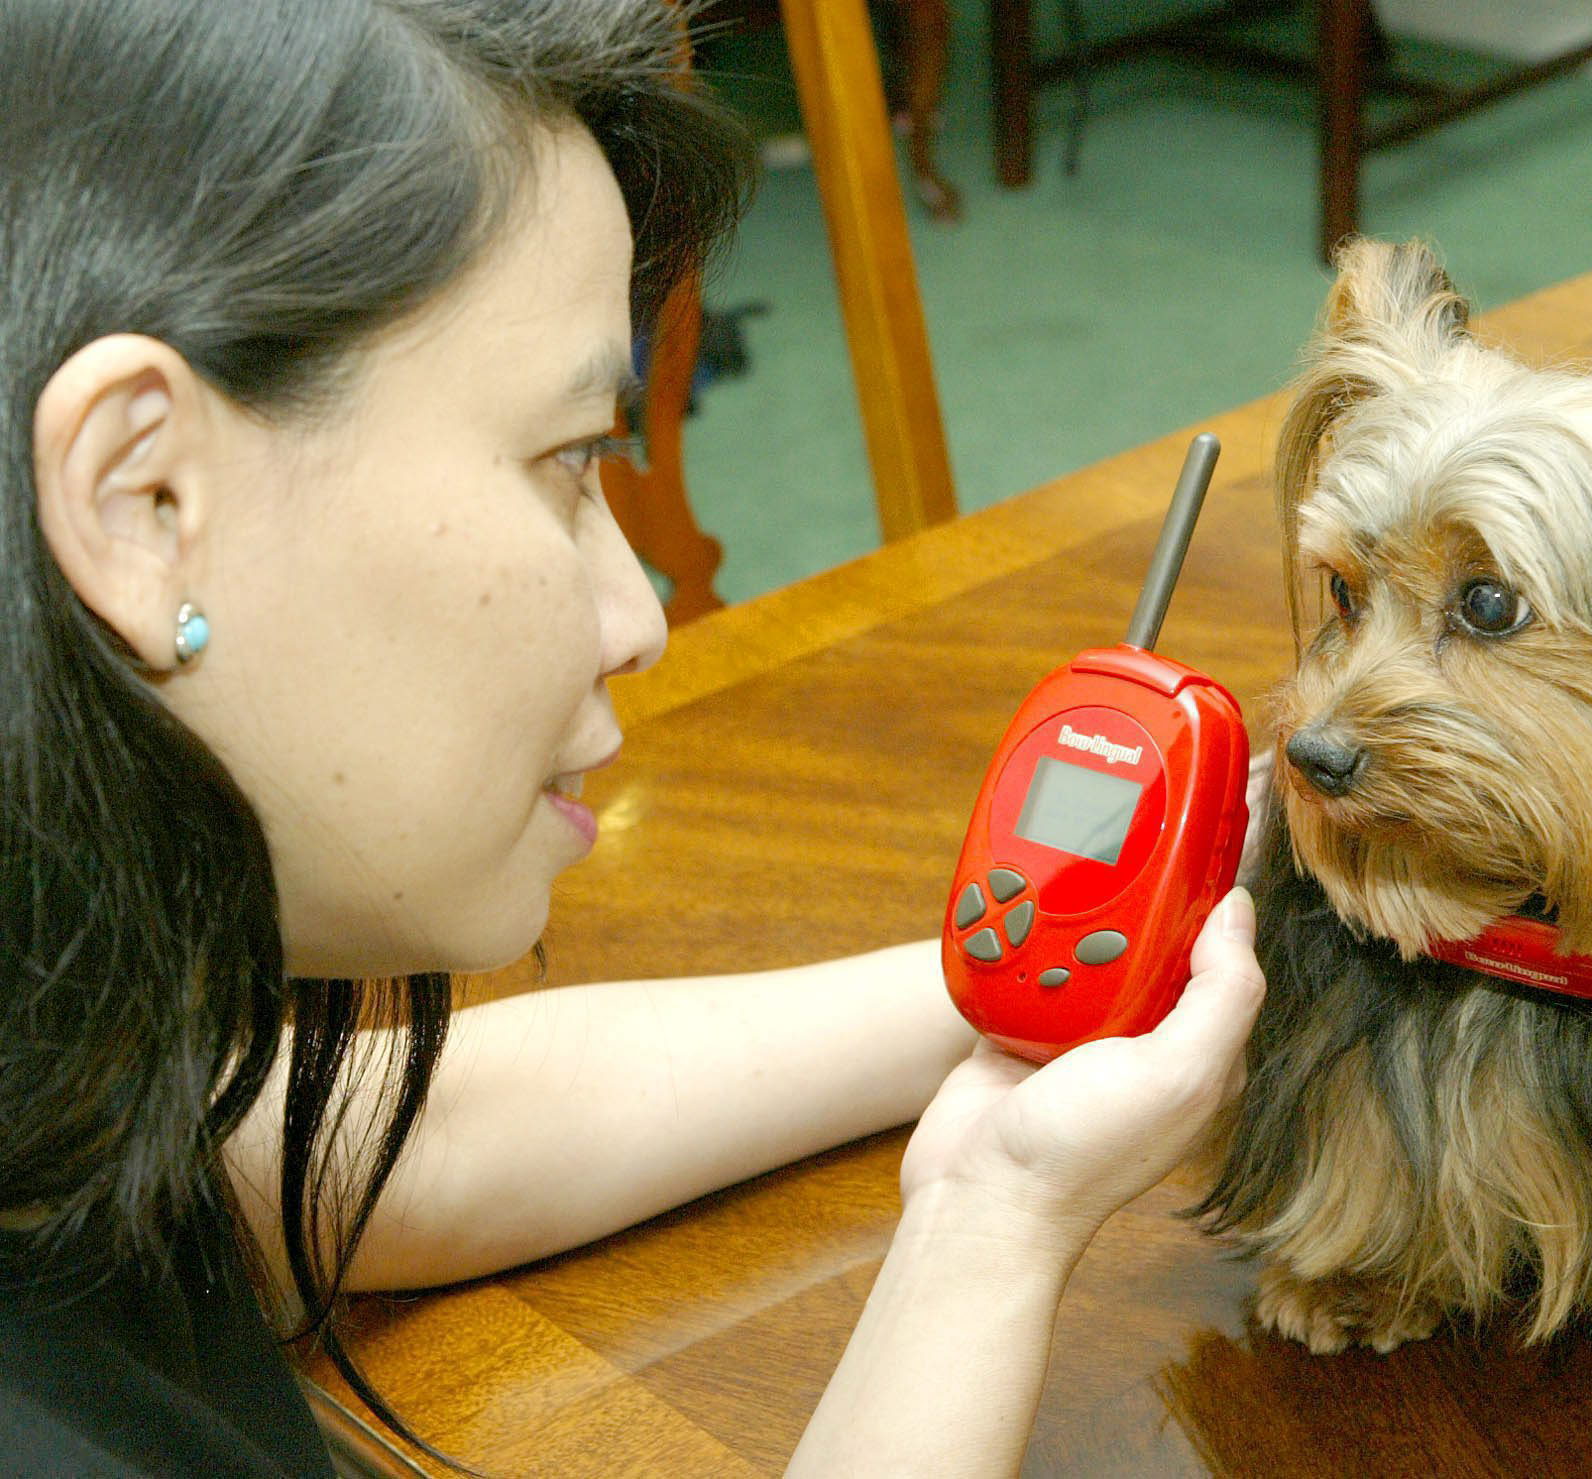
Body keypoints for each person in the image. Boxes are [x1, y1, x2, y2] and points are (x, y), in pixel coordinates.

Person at [0, 2, 1267, 1475]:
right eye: (568, 460)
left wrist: (1042, 1004)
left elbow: (424, 1143)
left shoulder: (64, 1076)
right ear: (142, 499)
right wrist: (998, 1236)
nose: (635, 614)